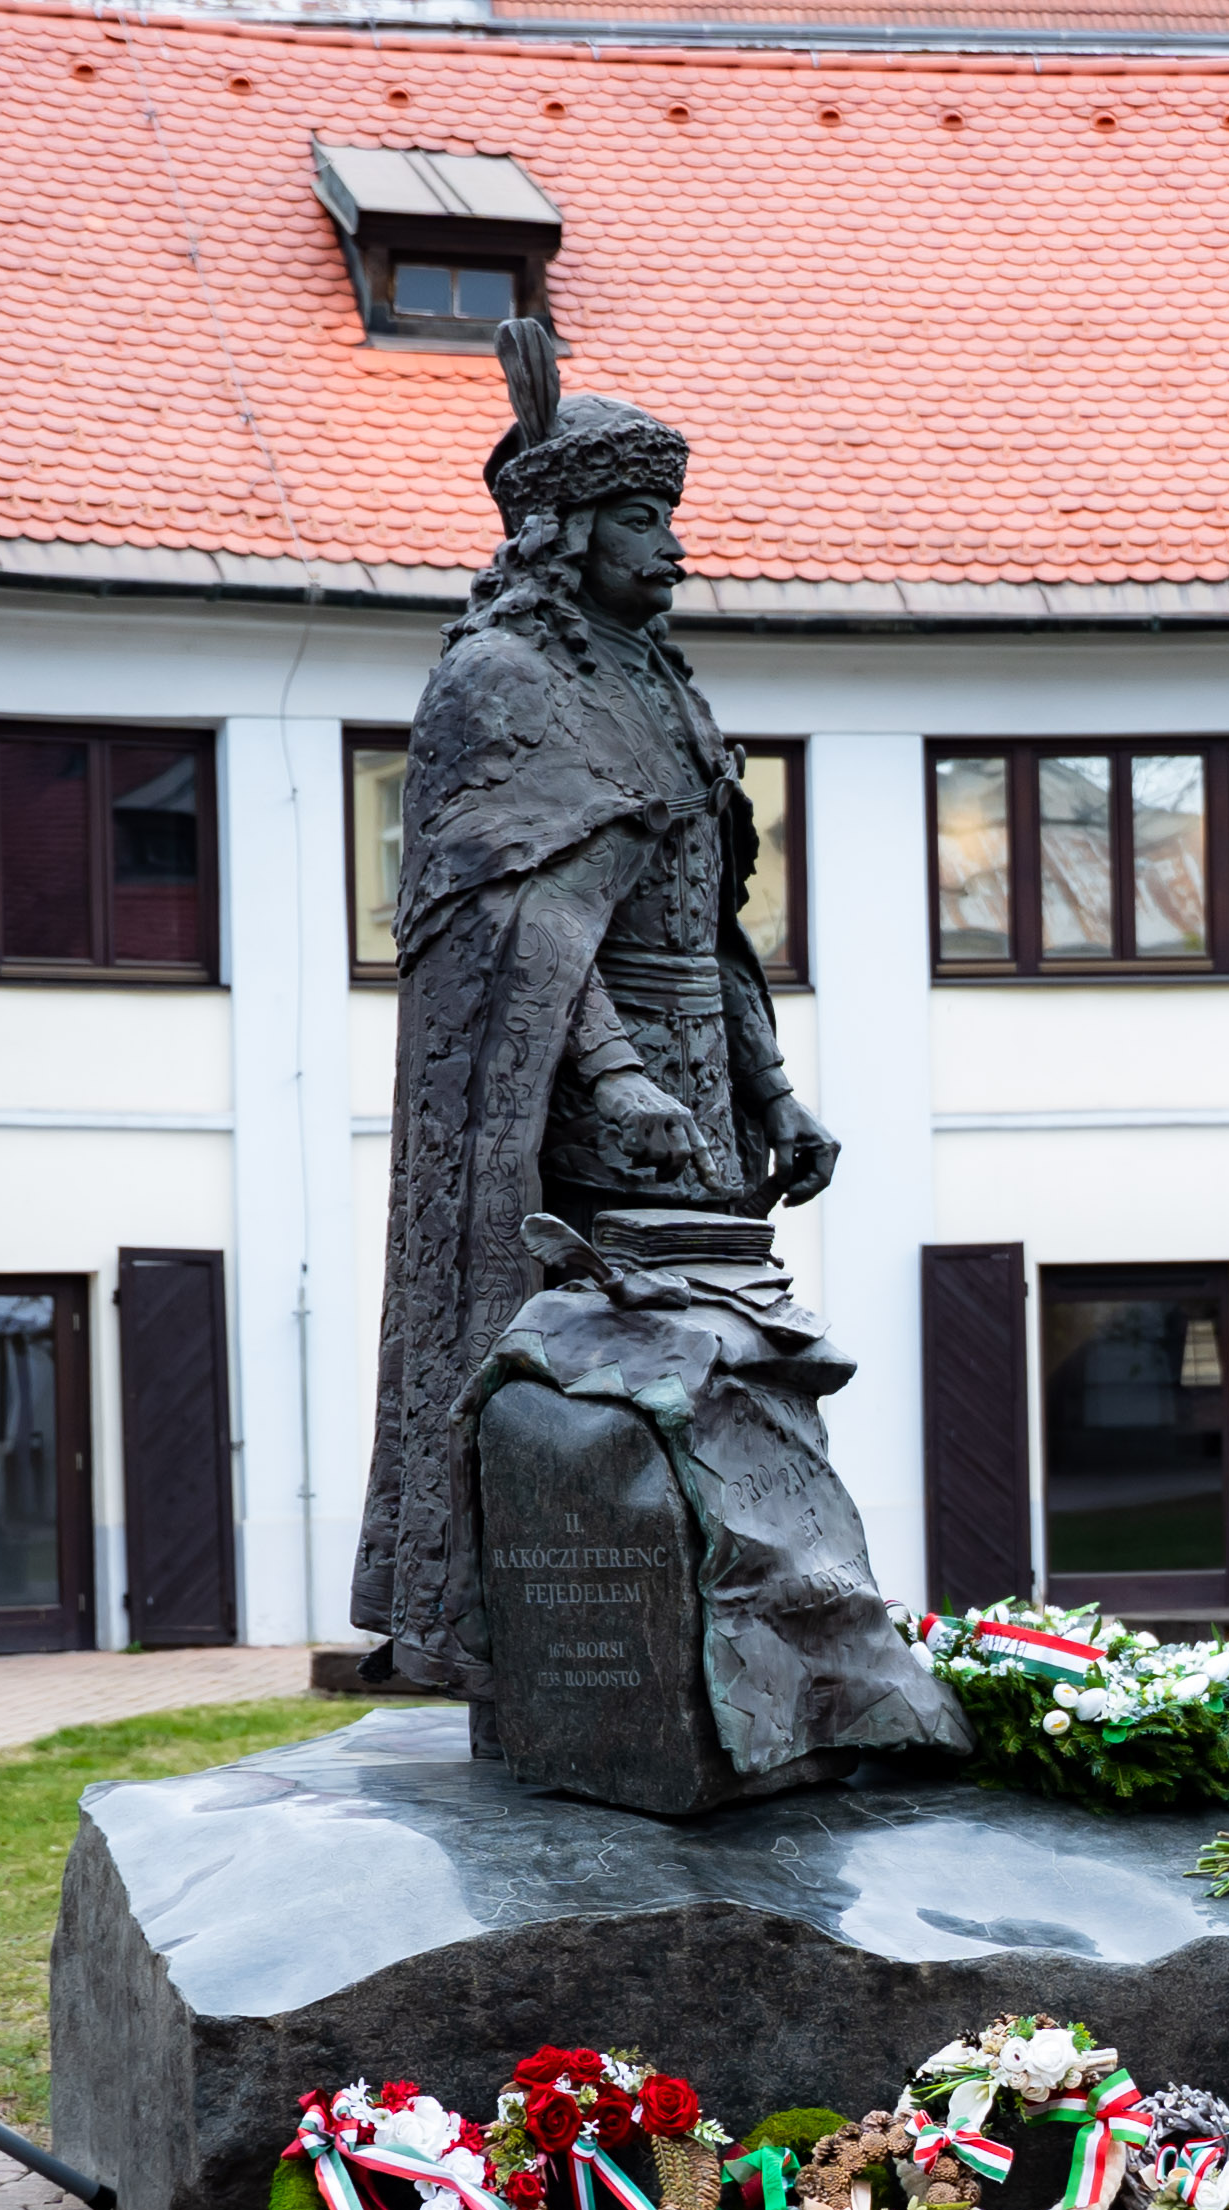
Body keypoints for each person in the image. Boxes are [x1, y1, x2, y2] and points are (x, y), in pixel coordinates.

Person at [353, 321, 838, 1690]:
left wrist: (770, 1087)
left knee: (735, 1363)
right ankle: (582, 1662)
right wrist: (619, 1079)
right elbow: (519, 929)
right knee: (611, 1373)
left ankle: (738, 1651)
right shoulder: (497, 681)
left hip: (699, 1088)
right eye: (642, 518)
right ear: (564, 529)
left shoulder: (667, 687)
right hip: (578, 1095)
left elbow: (712, 919)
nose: (672, 548)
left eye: (670, 517)